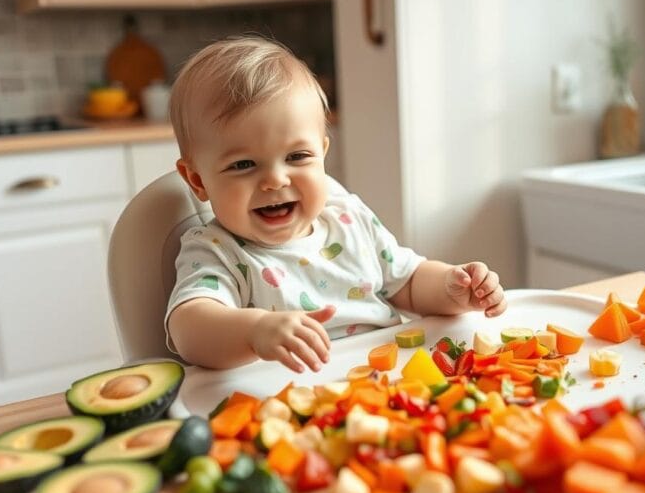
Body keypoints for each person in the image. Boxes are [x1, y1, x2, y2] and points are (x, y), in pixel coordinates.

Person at [164, 36, 506, 374]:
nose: (276, 180)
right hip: (288, 405)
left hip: (390, 387)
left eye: (297, 156)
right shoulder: (217, 251)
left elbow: (411, 283)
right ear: (197, 180)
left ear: (323, 155)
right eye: (243, 165)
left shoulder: (349, 220)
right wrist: (255, 332)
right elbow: (190, 330)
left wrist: (452, 287)